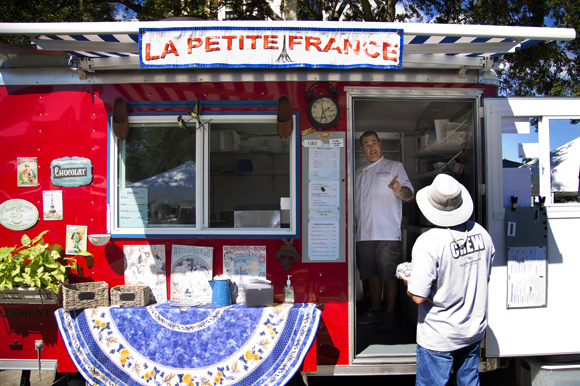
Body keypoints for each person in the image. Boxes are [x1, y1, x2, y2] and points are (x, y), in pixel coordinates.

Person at [399, 174, 495, 386]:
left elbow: (417, 296)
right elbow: (484, 278)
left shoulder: (428, 242)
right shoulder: (482, 234)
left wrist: (408, 279)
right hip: (472, 331)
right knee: (469, 381)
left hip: (439, 336)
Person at [355, 131, 414, 332]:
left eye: (374, 143)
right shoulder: (359, 172)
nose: (371, 147)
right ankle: (376, 310)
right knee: (371, 275)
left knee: (389, 275)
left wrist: (398, 188)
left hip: (387, 233)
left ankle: (389, 314)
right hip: (363, 234)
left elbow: (409, 195)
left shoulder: (393, 167)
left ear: (380, 144)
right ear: (362, 149)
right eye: (366, 144)